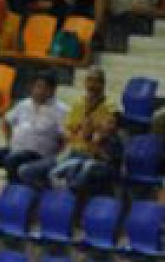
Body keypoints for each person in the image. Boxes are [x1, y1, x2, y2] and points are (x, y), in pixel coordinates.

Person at [18, 66, 120, 194]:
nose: (92, 85)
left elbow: (102, 134)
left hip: (89, 156)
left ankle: (61, 200)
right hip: (70, 152)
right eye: (89, 80)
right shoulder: (78, 104)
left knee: (63, 175)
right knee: (25, 171)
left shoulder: (111, 108)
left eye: (96, 81)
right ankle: (49, 196)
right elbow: (67, 132)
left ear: (103, 84)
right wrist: (78, 132)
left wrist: (88, 132)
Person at [0, 70, 67, 185]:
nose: (39, 91)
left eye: (44, 88)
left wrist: (54, 154)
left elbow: (64, 137)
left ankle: (14, 196)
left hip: (39, 155)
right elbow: (6, 121)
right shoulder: (24, 104)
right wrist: (10, 141)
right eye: (37, 87)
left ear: (53, 90)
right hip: (16, 149)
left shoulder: (61, 110)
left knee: (13, 159)